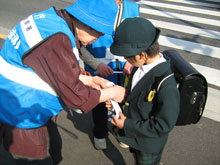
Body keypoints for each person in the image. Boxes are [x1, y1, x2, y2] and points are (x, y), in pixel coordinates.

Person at [0, 0, 126, 164]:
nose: (97, 41)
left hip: (19, 102)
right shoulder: (56, 40)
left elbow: (52, 70)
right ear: (88, 24)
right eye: (99, 34)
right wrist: (114, 92)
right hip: (22, 117)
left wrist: (91, 80)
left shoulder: (51, 21)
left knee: (55, 149)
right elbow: (77, 98)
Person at [107, 17, 180, 165]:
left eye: (127, 55)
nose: (125, 59)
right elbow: (137, 95)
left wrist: (126, 125)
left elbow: (163, 126)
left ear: (142, 54)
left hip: (149, 144)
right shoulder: (138, 67)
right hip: (135, 137)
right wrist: (120, 101)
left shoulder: (166, 85)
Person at [79, 0, 139, 150]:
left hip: (125, 71)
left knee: (126, 101)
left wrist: (133, 60)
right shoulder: (92, 4)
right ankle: (99, 133)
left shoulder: (132, 8)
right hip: (98, 69)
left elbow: (139, 39)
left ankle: (123, 131)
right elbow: (78, 43)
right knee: (99, 105)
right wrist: (95, 65)